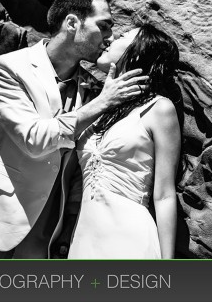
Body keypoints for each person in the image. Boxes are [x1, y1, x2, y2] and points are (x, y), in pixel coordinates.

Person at [0, 0, 149, 258]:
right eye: (104, 26)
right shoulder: (8, 68)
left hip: (46, 237)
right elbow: (33, 140)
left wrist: (70, 227)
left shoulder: (94, 89)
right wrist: (102, 103)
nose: (109, 37)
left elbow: (79, 166)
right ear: (72, 22)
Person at [67, 22, 181, 259]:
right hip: (84, 239)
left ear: (138, 51)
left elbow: (164, 195)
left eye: (122, 36)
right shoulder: (97, 108)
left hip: (130, 238)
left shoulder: (159, 109)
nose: (109, 40)